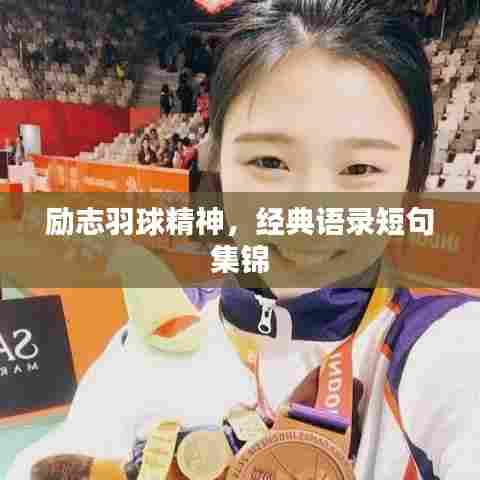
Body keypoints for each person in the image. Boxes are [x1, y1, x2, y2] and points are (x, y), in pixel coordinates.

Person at [7, 2, 480, 479]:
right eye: (269, 162)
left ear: (410, 180)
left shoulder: (444, 347)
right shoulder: (161, 334)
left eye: (360, 169)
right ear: (216, 166)